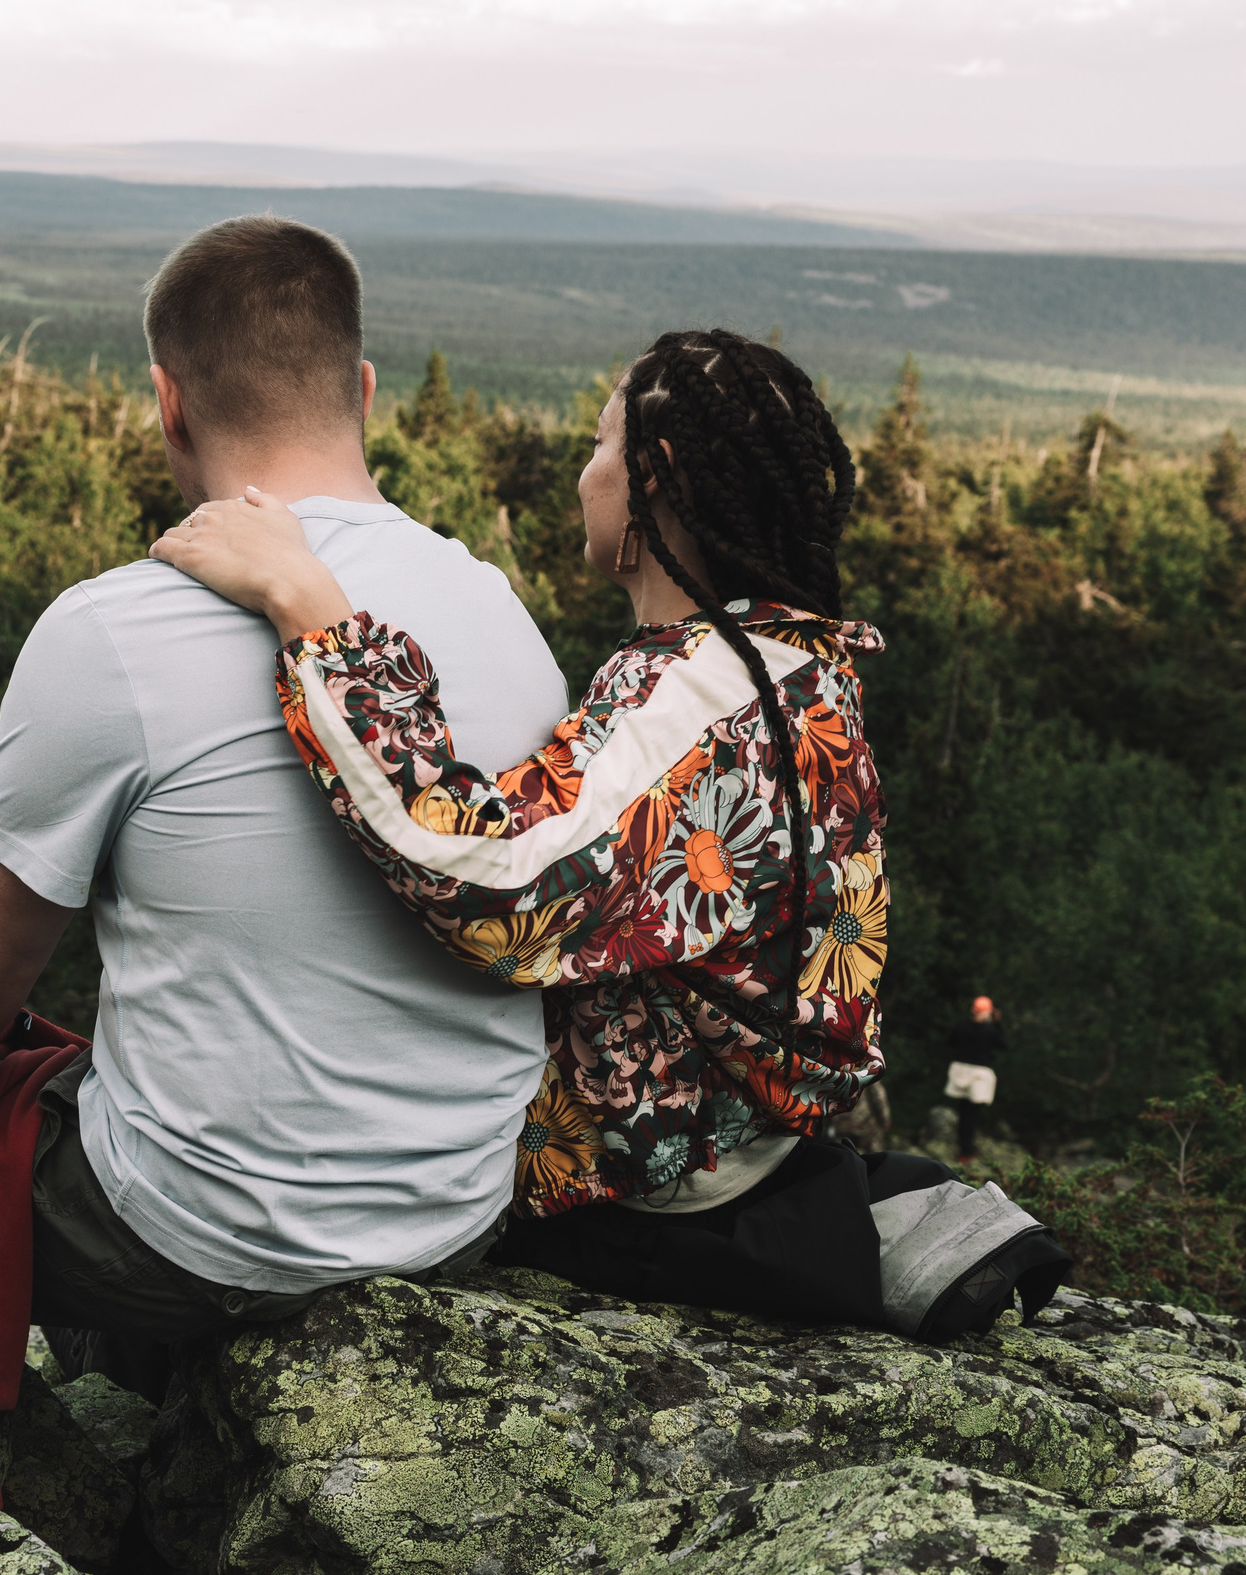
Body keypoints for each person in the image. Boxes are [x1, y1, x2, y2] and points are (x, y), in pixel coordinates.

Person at [0, 215, 570, 1399]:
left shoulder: (117, 626)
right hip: (456, 1212)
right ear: (363, 391)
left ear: (169, 403)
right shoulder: (495, 607)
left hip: (204, 1238)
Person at [158, 328, 1069, 1338]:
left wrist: (310, 609)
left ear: (651, 476)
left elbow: (495, 883)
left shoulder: (703, 693)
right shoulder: (793, 665)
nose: (582, 471)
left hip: (644, 1186)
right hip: (728, 1155)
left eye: (599, 444)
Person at [945, 995, 1006, 1161]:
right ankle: (966, 1151)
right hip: (979, 1075)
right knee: (972, 1115)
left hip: (960, 1071)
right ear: (989, 1012)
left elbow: (950, 1041)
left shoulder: (961, 1026)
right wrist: (998, 1022)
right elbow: (1002, 1044)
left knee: (964, 1111)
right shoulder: (990, 1031)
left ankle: (963, 1148)